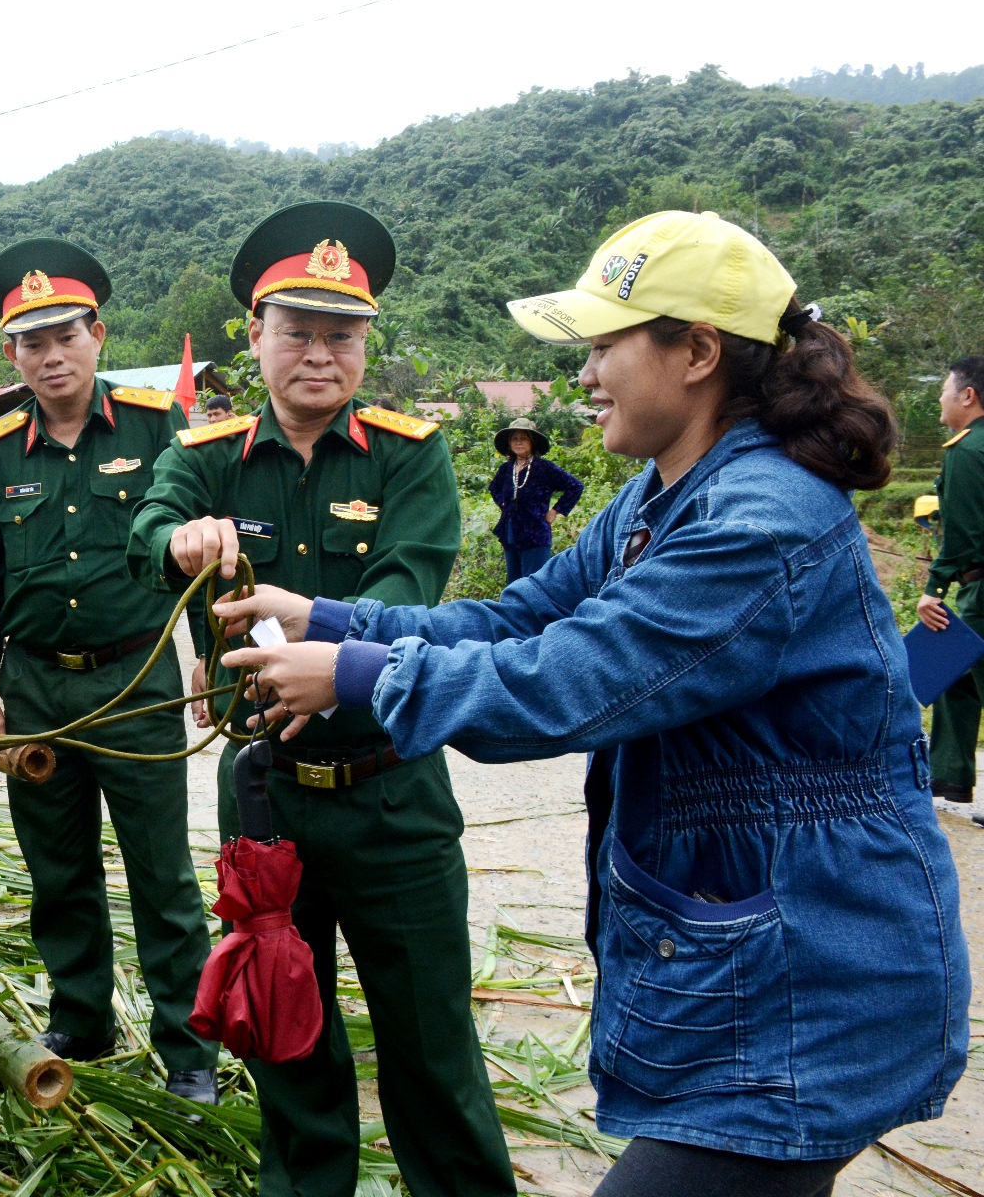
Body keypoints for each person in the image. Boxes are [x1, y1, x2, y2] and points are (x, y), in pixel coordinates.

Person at [222, 210, 966, 1197]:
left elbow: (566, 681)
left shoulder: (761, 519)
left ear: (697, 351)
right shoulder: (662, 494)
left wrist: (356, 674)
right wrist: (325, 616)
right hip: (747, 950)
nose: (585, 375)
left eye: (605, 345)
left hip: (809, 966)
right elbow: (521, 615)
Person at [129, 202, 511, 1194]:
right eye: (296, 331)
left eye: (342, 336)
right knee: (286, 1040)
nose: (318, 355)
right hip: (268, 798)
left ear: (364, 346)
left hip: (391, 791)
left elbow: (407, 592)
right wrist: (178, 538)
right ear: (255, 337)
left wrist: (324, 656)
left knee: (432, 1047)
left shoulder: (408, 452)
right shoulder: (206, 452)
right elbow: (149, 527)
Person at [0, 239, 217, 1105]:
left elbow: (201, 551)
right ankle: (82, 1019)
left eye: (66, 335)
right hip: (36, 689)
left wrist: (211, 661)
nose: (52, 356)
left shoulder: (156, 425)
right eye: (32, 343)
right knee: (57, 870)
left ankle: (188, 1047)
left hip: (136, 681)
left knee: (162, 875)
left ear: (97, 335)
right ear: (12, 355)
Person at [918, 356, 984, 813]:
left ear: (968, 396)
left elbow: (964, 536)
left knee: (955, 662)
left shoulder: (967, 451)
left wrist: (934, 588)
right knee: (955, 672)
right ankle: (949, 774)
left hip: (981, 586)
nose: (940, 398)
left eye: (945, 390)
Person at [488, 417, 584, 582]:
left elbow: (575, 486)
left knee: (534, 583)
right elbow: (494, 488)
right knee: (514, 583)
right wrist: (503, 503)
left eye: (523, 438)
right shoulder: (506, 469)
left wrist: (555, 511)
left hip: (535, 533)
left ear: (532, 442)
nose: (518, 442)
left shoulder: (544, 468)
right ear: (509, 443)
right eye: (514, 438)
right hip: (511, 532)